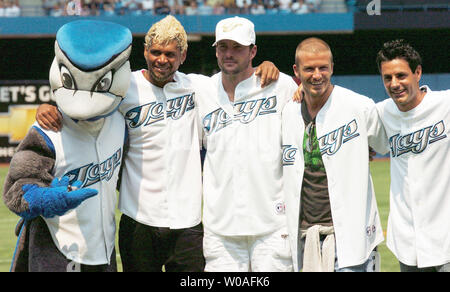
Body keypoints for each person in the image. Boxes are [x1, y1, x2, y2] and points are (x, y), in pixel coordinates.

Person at [35, 15, 279, 272]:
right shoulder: (123, 88)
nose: (162, 60)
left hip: (188, 220)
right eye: (156, 52)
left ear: (183, 56)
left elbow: (237, 80)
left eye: (171, 54)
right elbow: (85, 102)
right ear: (145, 52)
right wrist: (48, 107)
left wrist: (265, 65)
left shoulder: (199, 87)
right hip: (138, 218)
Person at [196, 16, 298, 272]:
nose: (229, 54)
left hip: (273, 225)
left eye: (237, 47)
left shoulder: (280, 85)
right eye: (223, 47)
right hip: (221, 228)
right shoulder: (202, 92)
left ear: (253, 50)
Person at [282, 37, 387, 272]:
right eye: (309, 69)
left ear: (332, 67)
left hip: (351, 236)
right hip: (304, 236)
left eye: (323, 67)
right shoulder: (288, 112)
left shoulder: (359, 106)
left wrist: (361, 149)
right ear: (296, 71)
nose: (317, 75)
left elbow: (386, 146)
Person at [375, 39, 450, 272]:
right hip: (407, 241)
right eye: (388, 78)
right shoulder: (381, 113)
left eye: (401, 75)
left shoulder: (445, 104)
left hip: (445, 238)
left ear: (417, 72)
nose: (394, 84)